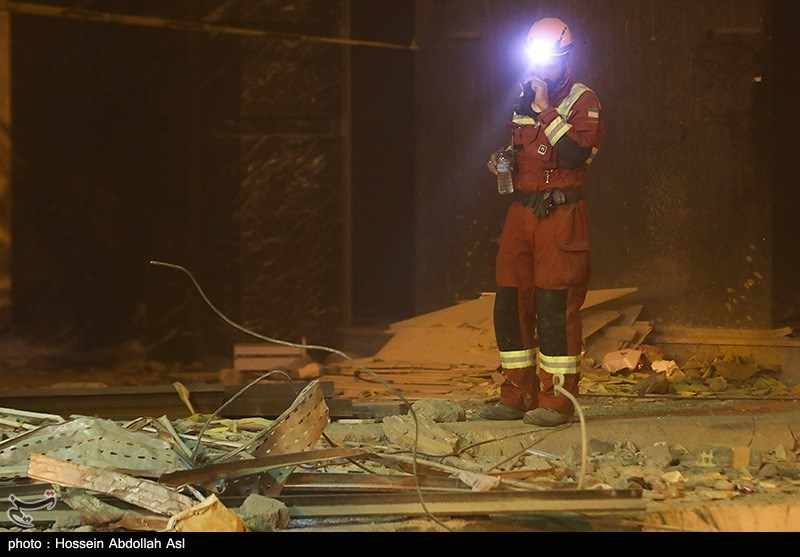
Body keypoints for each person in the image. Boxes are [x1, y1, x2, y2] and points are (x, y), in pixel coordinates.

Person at [481, 17, 605, 427]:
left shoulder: (582, 99)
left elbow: (573, 156)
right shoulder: (521, 98)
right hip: (521, 212)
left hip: (561, 214)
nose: (543, 67)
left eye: (551, 59)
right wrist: (503, 162)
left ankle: (558, 401)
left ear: (566, 56)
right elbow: (519, 150)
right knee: (510, 301)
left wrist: (545, 108)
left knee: (555, 305)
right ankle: (517, 393)